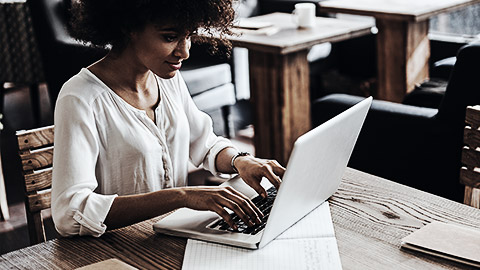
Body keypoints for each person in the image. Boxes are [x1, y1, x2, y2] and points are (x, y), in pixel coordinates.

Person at [51, 0, 286, 237]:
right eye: (170, 37)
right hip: (118, 249)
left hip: (172, 235)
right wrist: (181, 197)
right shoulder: (80, 98)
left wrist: (240, 160)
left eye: (189, 36)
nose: (184, 51)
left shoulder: (167, 78)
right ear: (128, 27)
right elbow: (69, 213)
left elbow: (204, 144)